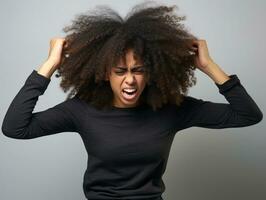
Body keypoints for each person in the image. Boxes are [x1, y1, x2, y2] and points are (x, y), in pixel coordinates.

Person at [1, 2, 263, 200]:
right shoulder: (82, 110)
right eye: (120, 71)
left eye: (138, 71)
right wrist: (50, 64)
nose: (130, 80)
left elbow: (248, 115)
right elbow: (15, 128)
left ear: (150, 72)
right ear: (105, 73)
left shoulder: (171, 108)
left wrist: (208, 66)